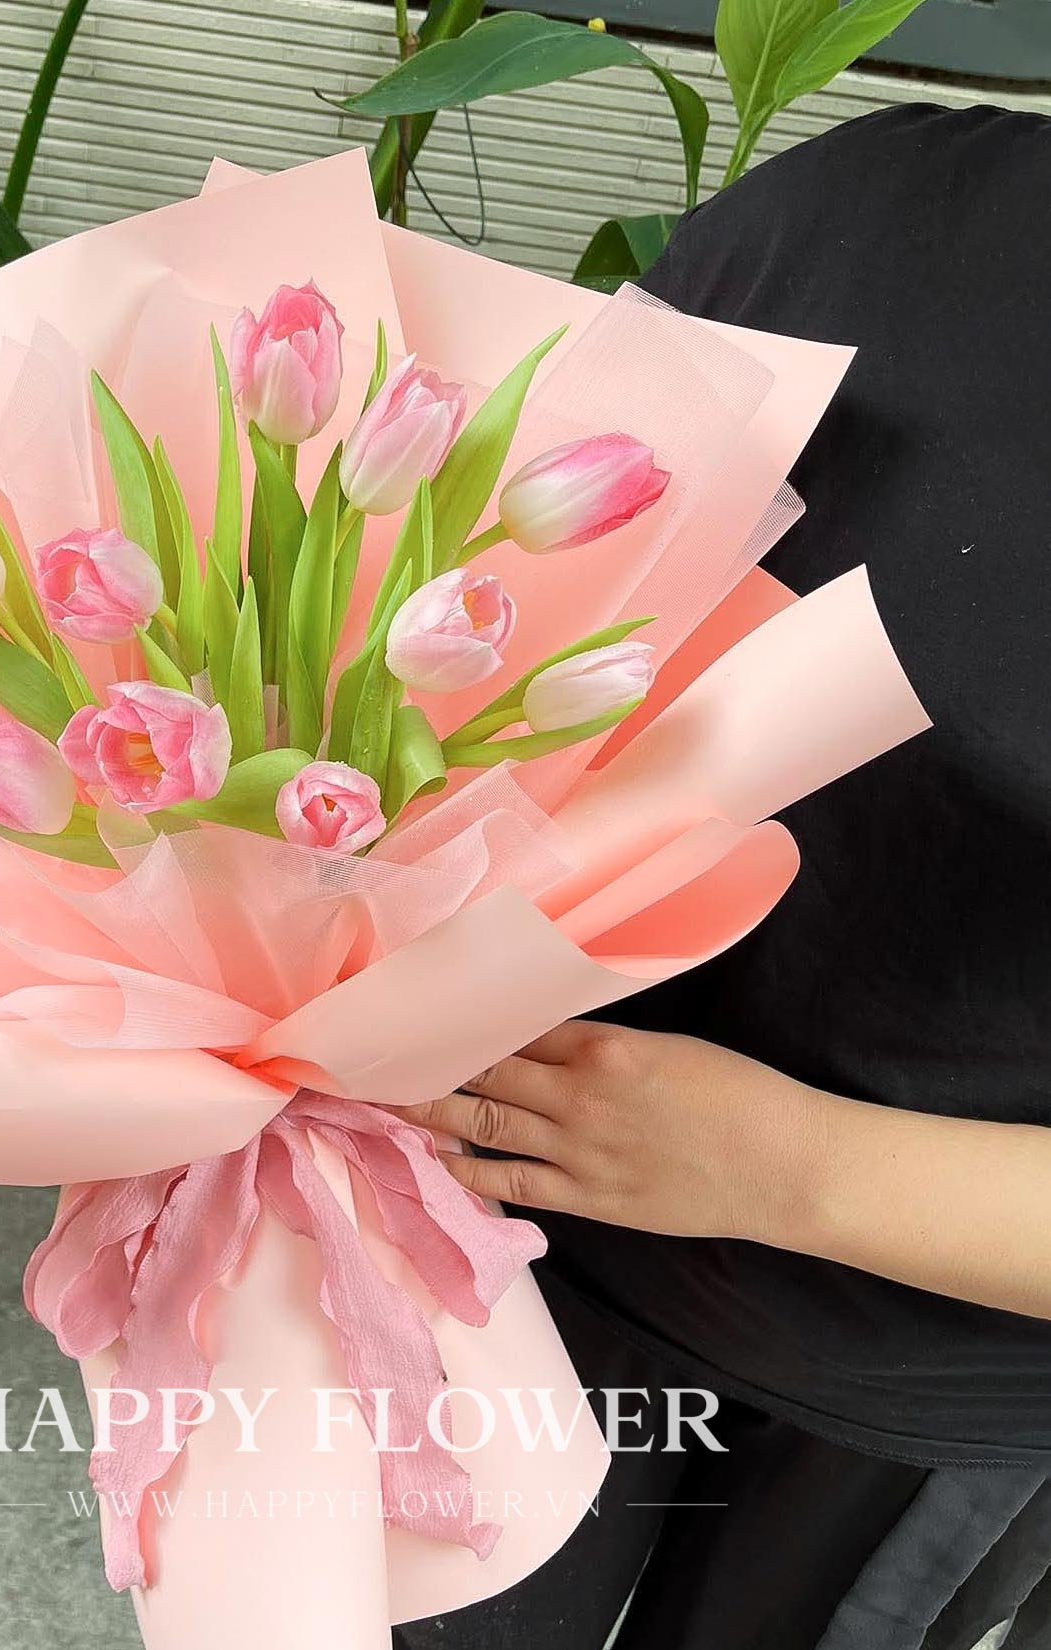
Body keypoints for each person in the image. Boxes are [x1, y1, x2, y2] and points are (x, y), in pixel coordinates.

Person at [392, 102, 1051, 1650]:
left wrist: (786, 1166)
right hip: (489, 1219)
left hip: (913, 1367)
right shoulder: (879, 195)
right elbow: (493, 602)